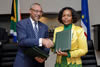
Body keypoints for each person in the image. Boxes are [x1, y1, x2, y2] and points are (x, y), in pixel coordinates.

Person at [13, 3, 53, 67]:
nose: (39, 14)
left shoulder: (44, 27)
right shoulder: (21, 24)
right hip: (24, 62)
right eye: (36, 11)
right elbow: (22, 41)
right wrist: (41, 41)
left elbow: (46, 45)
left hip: (39, 63)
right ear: (30, 11)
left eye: (40, 12)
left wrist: (44, 57)